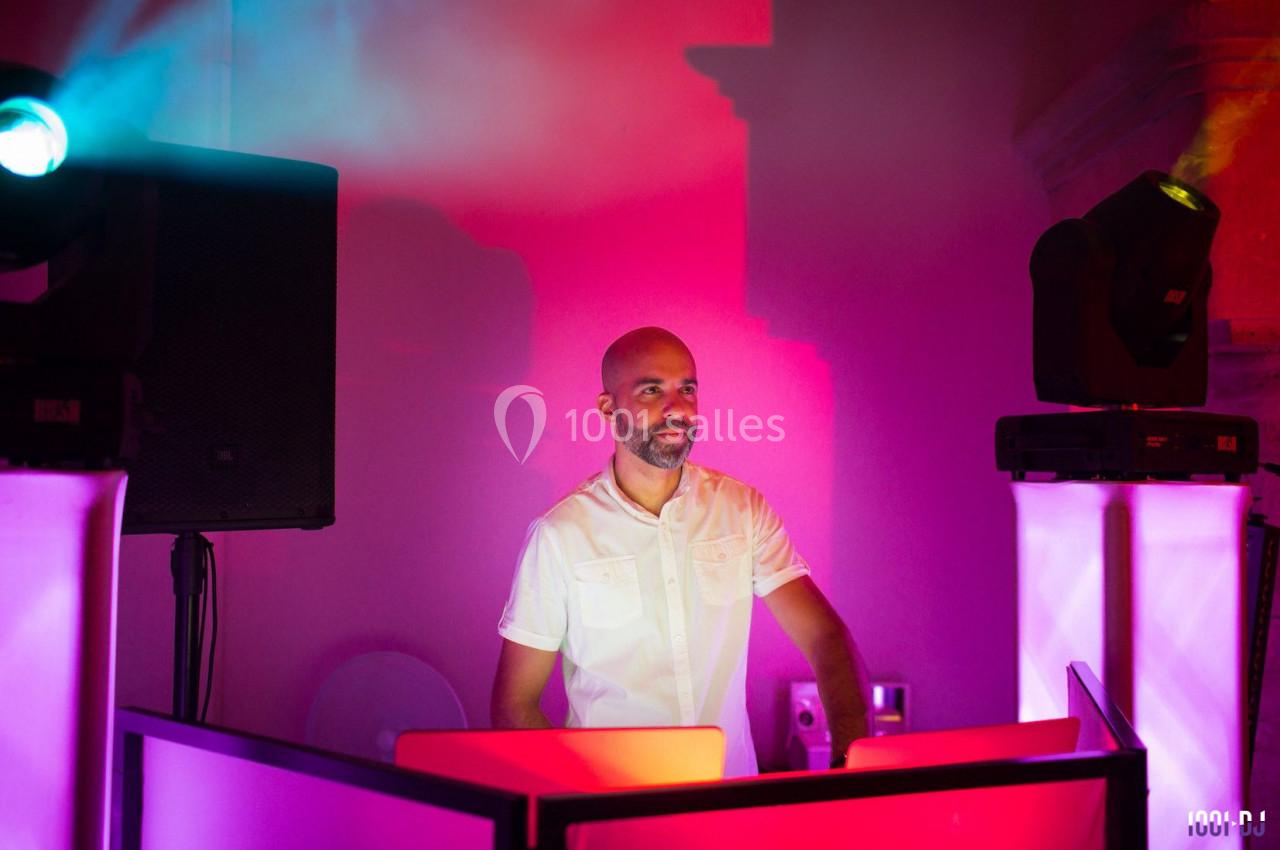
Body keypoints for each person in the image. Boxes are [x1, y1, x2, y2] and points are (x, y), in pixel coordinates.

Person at [491, 326, 872, 775]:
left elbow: (824, 638)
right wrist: (580, 801)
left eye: (687, 389)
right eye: (652, 389)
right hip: (612, 823)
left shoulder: (742, 510)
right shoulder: (560, 535)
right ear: (609, 408)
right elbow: (514, 707)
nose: (678, 408)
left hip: (729, 813)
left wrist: (851, 762)